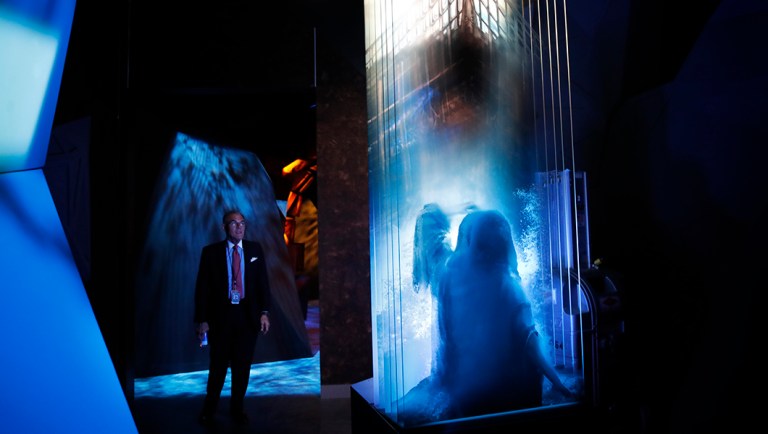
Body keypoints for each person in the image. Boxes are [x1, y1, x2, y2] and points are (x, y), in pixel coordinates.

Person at [435, 209, 571, 418]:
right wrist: (560, 385)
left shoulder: (456, 281)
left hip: (470, 398)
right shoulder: (509, 288)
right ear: (504, 243)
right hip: (514, 401)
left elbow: (449, 340)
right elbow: (531, 345)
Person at [194, 209, 271, 426]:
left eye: (242, 223)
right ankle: (209, 409)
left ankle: (237, 409)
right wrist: (202, 319)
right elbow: (202, 288)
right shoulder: (211, 252)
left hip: (248, 317)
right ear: (224, 227)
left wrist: (264, 312)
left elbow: (262, 283)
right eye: (234, 223)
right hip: (221, 318)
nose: (239, 227)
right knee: (218, 365)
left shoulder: (255, 249)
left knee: (242, 366)